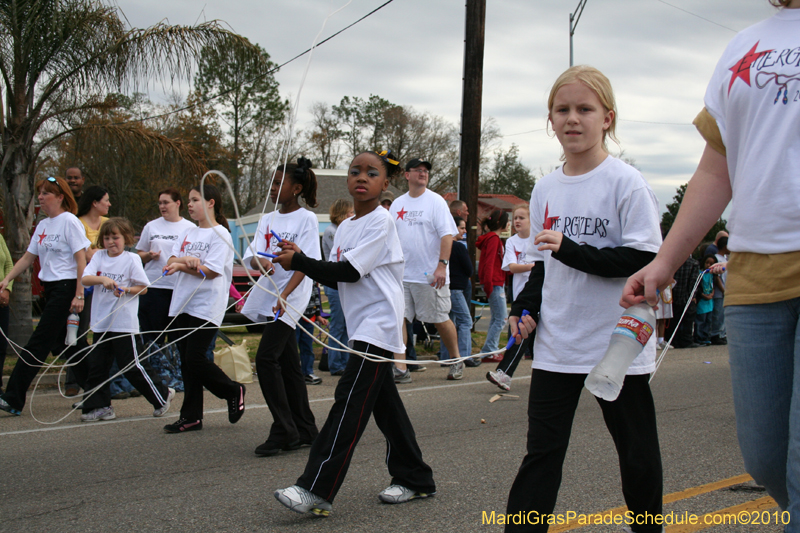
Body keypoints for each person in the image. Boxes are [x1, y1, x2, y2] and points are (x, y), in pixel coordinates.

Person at [623, 3, 800, 521]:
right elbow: (714, 171)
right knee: (766, 459)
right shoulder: (741, 47)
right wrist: (662, 263)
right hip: (755, 276)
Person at [506, 66, 663, 533]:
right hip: (559, 343)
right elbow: (540, 263)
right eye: (562, 110)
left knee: (635, 451)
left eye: (585, 109)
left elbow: (644, 258)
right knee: (543, 452)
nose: (572, 119)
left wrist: (572, 250)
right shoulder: (544, 187)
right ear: (550, 120)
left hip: (618, 342)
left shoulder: (625, 182)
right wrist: (524, 307)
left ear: (607, 118)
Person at [273, 149, 436, 518]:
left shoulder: (383, 221)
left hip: (378, 325)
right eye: (355, 171)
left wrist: (299, 261)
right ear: (347, 180)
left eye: (372, 173)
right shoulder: (346, 226)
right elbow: (331, 272)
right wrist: (300, 258)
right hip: (362, 325)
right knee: (385, 406)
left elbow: (350, 273)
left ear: (385, 182)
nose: (362, 177)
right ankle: (416, 477)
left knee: (348, 403)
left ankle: (316, 489)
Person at [240, 158, 320, 456]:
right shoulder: (267, 218)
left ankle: (284, 430)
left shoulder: (306, 220)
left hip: (292, 294)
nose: (272, 188)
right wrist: (259, 261)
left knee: (265, 359)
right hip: (269, 292)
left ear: (296, 188)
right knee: (289, 363)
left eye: (278, 183)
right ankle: (305, 428)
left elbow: (305, 263)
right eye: (271, 182)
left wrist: (285, 294)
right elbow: (254, 254)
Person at [0, 177, 90, 416]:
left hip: (66, 288)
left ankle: (12, 398)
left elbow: (81, 259)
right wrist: (7, 279)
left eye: (46, 193)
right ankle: (97, 391)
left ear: (60, 197)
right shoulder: (42, 225)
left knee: (37, 343)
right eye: (39, 192)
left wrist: (79, 294)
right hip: (50, 289)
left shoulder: (69, 221)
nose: (40, 197)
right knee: (68, 344)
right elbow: (28, 258)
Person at [162, 183, 245, 433]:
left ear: (211, 203)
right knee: (186, 364)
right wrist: (183, 261)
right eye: (189, 200)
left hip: (206, 306)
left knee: (195, 358)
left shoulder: (221, 234)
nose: (189, 204)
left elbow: (210, 272)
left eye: (195, 200)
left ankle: (233, 390)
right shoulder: (188, 232)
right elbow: (170, 261)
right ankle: (191, 416)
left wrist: (184, 265)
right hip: (182, 304)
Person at [79, 218, 174, 421]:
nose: (111, 242)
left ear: (126, 238)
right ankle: (100, 406)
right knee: (97, 366)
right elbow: (85, 278)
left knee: (131, 366)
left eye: (116, 237)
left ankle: (161, 395)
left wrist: (126, 290)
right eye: (107, 238)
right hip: (101, 322)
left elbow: (144, 287)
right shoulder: (98, 257)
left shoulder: (132, 259)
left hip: (123, 323)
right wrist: (102, 279)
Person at [389, 158, 461, 381]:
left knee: (439, 318)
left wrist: (442, 266)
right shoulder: (397, 204)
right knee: (399, 318)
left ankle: (456, 359)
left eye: (425, 171)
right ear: (406, 175)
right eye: (417, 170)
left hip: (430, 276)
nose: (422, 173)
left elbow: (447, 236)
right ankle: (400, 368)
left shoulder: (436, 202)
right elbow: (389, 239)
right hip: (401, 275)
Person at [136, 188, 196, 348]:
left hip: (180, 287)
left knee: (178, 336)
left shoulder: (190, 227)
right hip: (155, 286)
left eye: (166, 202)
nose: (162, 206)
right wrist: (149, 255)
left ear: (177, 203)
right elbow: (139, 255)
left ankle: (176, 370)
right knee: (153, 336)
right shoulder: (151, 226)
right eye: (160, 203)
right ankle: (154, 368)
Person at [487, 204, 535, 391]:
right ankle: (505, 373)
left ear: (531, 220)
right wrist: (533, 266)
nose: (517, 221)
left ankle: (506, 372)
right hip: (522, 296)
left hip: (539, 294)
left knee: (537, 337)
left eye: (522, 218)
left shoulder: (537, 239)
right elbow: (512, 267)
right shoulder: (512, 242)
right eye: (515, 218)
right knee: (518, 333)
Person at [321, 199, 353, 376]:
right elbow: (342, 252)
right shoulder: (331, 231)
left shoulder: (345, 230)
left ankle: (347, 361)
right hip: (334, 284)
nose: (353, 215)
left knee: (348, 325)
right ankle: (335, 363)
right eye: (349, 213)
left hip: (345, 284)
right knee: (338, 325)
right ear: (341, 213)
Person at [438, 216, 473, 369]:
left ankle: (447, 356)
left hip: (444, 287)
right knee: (465, 321)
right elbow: (469, 269)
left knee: (447, 321)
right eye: (462, 228)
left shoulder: (439, 246)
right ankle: (464, 355)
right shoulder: (458, 247)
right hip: (456, 289)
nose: (464, 231)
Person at [476, 209, 509, 363]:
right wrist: (489, 284)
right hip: (494, 283)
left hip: (495, 282)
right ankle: (489, 350)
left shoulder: (490, 239)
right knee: (501, 318)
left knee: (497, 317)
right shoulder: (494, 239)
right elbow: (489, 263)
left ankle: (490, 349)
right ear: (501, 223)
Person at [296, 282, 328, 385]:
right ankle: (291, 373)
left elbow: (316, 297)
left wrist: (318, 315)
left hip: (309, 317)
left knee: (307, 347)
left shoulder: (311, 282)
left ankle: (307, 372)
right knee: (291, 346)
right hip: (294, 317)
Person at [668, 254, 701, 349]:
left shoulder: (673, 262)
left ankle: (674, 340)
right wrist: (693, 295)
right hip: (687, 295)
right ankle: (686, 340)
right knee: (688, 320)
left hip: (674, 294)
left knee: (674, 320)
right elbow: (694, 281)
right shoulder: (693, 263)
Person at [0, 233, 14, 394]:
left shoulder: (0, 237)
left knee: (1, 345)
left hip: (2, 297)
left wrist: (7, 289)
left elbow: (9, 265)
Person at [710, 235, 729, 345]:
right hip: (720, 292)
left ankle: (722, 333)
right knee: (718, 314)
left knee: (723, 314)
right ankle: (715, 334)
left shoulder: (725, 259)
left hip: (725, 290)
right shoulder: (717, 258)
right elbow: (717, 277)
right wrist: (723, 290)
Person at [694, 256, 716, 346]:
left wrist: (712, 294)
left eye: (711, 264)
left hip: (709, 300)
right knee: (701, 319)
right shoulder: (700, 274)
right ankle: (699, 337)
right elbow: (698, 288)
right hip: (702, 300)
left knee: (709, 319)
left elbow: (713, 285)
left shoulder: (712, 274)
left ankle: (706, 337)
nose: (708, 265)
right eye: (707, 263)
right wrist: (703, 295)